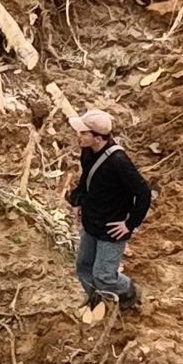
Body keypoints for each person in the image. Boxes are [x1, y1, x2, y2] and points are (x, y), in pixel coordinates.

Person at [67, 109, 151, 309]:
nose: (78, 136)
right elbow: (88, 182)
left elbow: (143, 193)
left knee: (104, 275)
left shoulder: (119, 162)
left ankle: (131, 294)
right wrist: (79, 201)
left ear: (97, 137)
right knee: (84, 268)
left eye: (83, 133)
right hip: (91, 223)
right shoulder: (88, 152)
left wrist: (130, 224)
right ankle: (98, 302)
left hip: (111, 229)